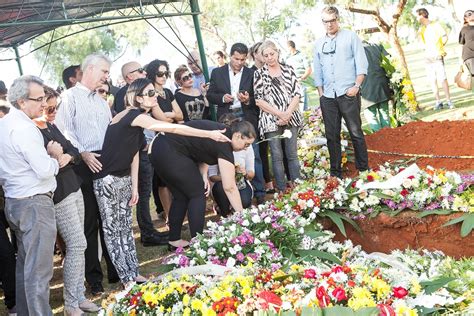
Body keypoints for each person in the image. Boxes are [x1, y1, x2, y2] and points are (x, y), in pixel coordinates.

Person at [93, 78, 230, 286]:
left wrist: (135, 185)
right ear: (138, 98)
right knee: (114, 232)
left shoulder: (135, 119)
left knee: (125, 230)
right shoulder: (133, 115)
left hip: (122, 179)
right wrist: (208, 134)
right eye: (149, 93)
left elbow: (135, 154)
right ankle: (126, 279)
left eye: (154, 93)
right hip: (107, 181)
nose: (154, 96)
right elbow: (170, 128)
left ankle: (133, 274)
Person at [56, 53, 119, 295]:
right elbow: (64, 131)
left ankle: (116, 271)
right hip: (83, 165)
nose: (106, 76)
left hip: (106, 161)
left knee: (109, 219)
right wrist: (83, 153)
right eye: (104, 71)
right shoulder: (69, 97)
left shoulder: (102, 100)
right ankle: (94, 280)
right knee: (89, 223)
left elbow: (110, 129)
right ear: (90, 69)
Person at [33, 86, 99, 315]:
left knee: (79, 245)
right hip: (58, 193)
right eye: (49, 108)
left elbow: (71, 148)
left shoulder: (50, 125)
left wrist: (67, 156)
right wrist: (54, 156)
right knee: (77, 244)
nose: (53, 112)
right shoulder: (32, 130)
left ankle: (78, 296)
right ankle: (71, 303)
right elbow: (40, 165)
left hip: (73, 186)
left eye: (56, 108)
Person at [0, 75, 62, 315]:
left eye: (44, 98)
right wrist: (55, 157)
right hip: (34, 203)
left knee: (25, 267)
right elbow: (44, 170)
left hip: (16, 201)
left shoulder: (5, 124)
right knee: (39, 272)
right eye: (38, 99)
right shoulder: (25, 128)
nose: (43, 104)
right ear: (22, 101)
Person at [149, 117, 256, 250]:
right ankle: (198, 242)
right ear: (238, 136)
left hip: (158, 147)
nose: (246, 149)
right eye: (246, 144)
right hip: (170, 149)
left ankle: (174, 240)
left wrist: (203, 174)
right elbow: (229, 187)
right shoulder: (225, 143)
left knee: (181, 195)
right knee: (197, 194)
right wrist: (242, 216)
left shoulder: (223, 134)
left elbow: (201, 148)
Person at [313, 6, 369, 179]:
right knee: (332, 136)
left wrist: (356, 87)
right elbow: (318, 70)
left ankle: (364, 169)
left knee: (356, 132)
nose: (329, 24)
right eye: (325, 21)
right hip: (328, 97)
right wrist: (321, 93)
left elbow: (362, 64)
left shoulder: (351, 37)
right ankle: (335, 174)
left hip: (348, 93)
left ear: (337, 20)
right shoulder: (318, 44)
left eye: (332, 20)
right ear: (322, 23)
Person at [207, 42, 265, 204]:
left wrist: (248, 100)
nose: (239, 62)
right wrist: (222, 98)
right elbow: (210, 95)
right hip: (227, 116)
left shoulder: (252, 73)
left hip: (246, 115)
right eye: (236, 58)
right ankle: (232, 187)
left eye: (242, 59)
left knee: (253, 151)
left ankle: (259, 192)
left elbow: (259, 98)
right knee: (227, 150)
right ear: (230, 56)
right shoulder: (217, 73)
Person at [254, 40, 302, 192]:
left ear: (277, 53)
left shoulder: (289, 69)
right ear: (262, 57)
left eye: (272, 54)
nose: (270, 57)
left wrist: (287, 113)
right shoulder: (259, 74)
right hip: (270, 120)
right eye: (266, 55)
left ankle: (298, 188)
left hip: (291, 117)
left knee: (292, 154)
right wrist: (280, 114)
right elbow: (259, 100)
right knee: (276, 156)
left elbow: (297, 93)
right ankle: (281, 190)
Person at [209, 114, 254, 217]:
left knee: (245, 201)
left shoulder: (245, 145)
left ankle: (238, 211)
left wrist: (244, 173)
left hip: (241, 183)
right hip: (222, 185)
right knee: (221, 188)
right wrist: (227, 176)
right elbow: (212, 176)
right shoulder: (217, 145)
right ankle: (225, 212)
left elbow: (251, 174)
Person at [250, 42, 275, 194]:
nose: (264, 55)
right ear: (255, 54)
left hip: (275, 115)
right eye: (261, 52)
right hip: (257, 115)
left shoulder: (272, 68)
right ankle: (268, 181)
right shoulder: (251, 72)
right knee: (263, 150)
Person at [416, 8, 454, 109]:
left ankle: (449, 101)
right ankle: (438, 102)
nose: (416, 18)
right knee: (432, 80)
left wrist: (440, 48)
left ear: (422, 15)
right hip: (427, 58)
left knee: (443, 79)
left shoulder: (436, 25)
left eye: (417, 16)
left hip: (437, 56)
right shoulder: (421, 29)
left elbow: (445, 37)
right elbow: (420, 42)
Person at [361, 41, 392, 132]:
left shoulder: (355, 50)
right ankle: (389, 137)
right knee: (384, 113)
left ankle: (379, 139)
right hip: (382, 85)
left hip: (366, 89)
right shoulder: (377, 46)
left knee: (371, 116)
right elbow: (388, 62)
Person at [286, 40, 313, 111]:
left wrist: (301, 79)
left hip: (300, 81)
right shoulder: (287, 58)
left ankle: (304, 113)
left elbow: (309, 69)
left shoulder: (302, 56)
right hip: (289, 83)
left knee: (303, 104)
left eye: (287, 48)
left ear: (290, 47)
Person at [459, 9, 474, 88]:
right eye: (466, 15)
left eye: (470, 14)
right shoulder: (464, 29)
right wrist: (460, 60)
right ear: (465, 18)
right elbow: (461, 44)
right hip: (469, 56)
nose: (468, 16)